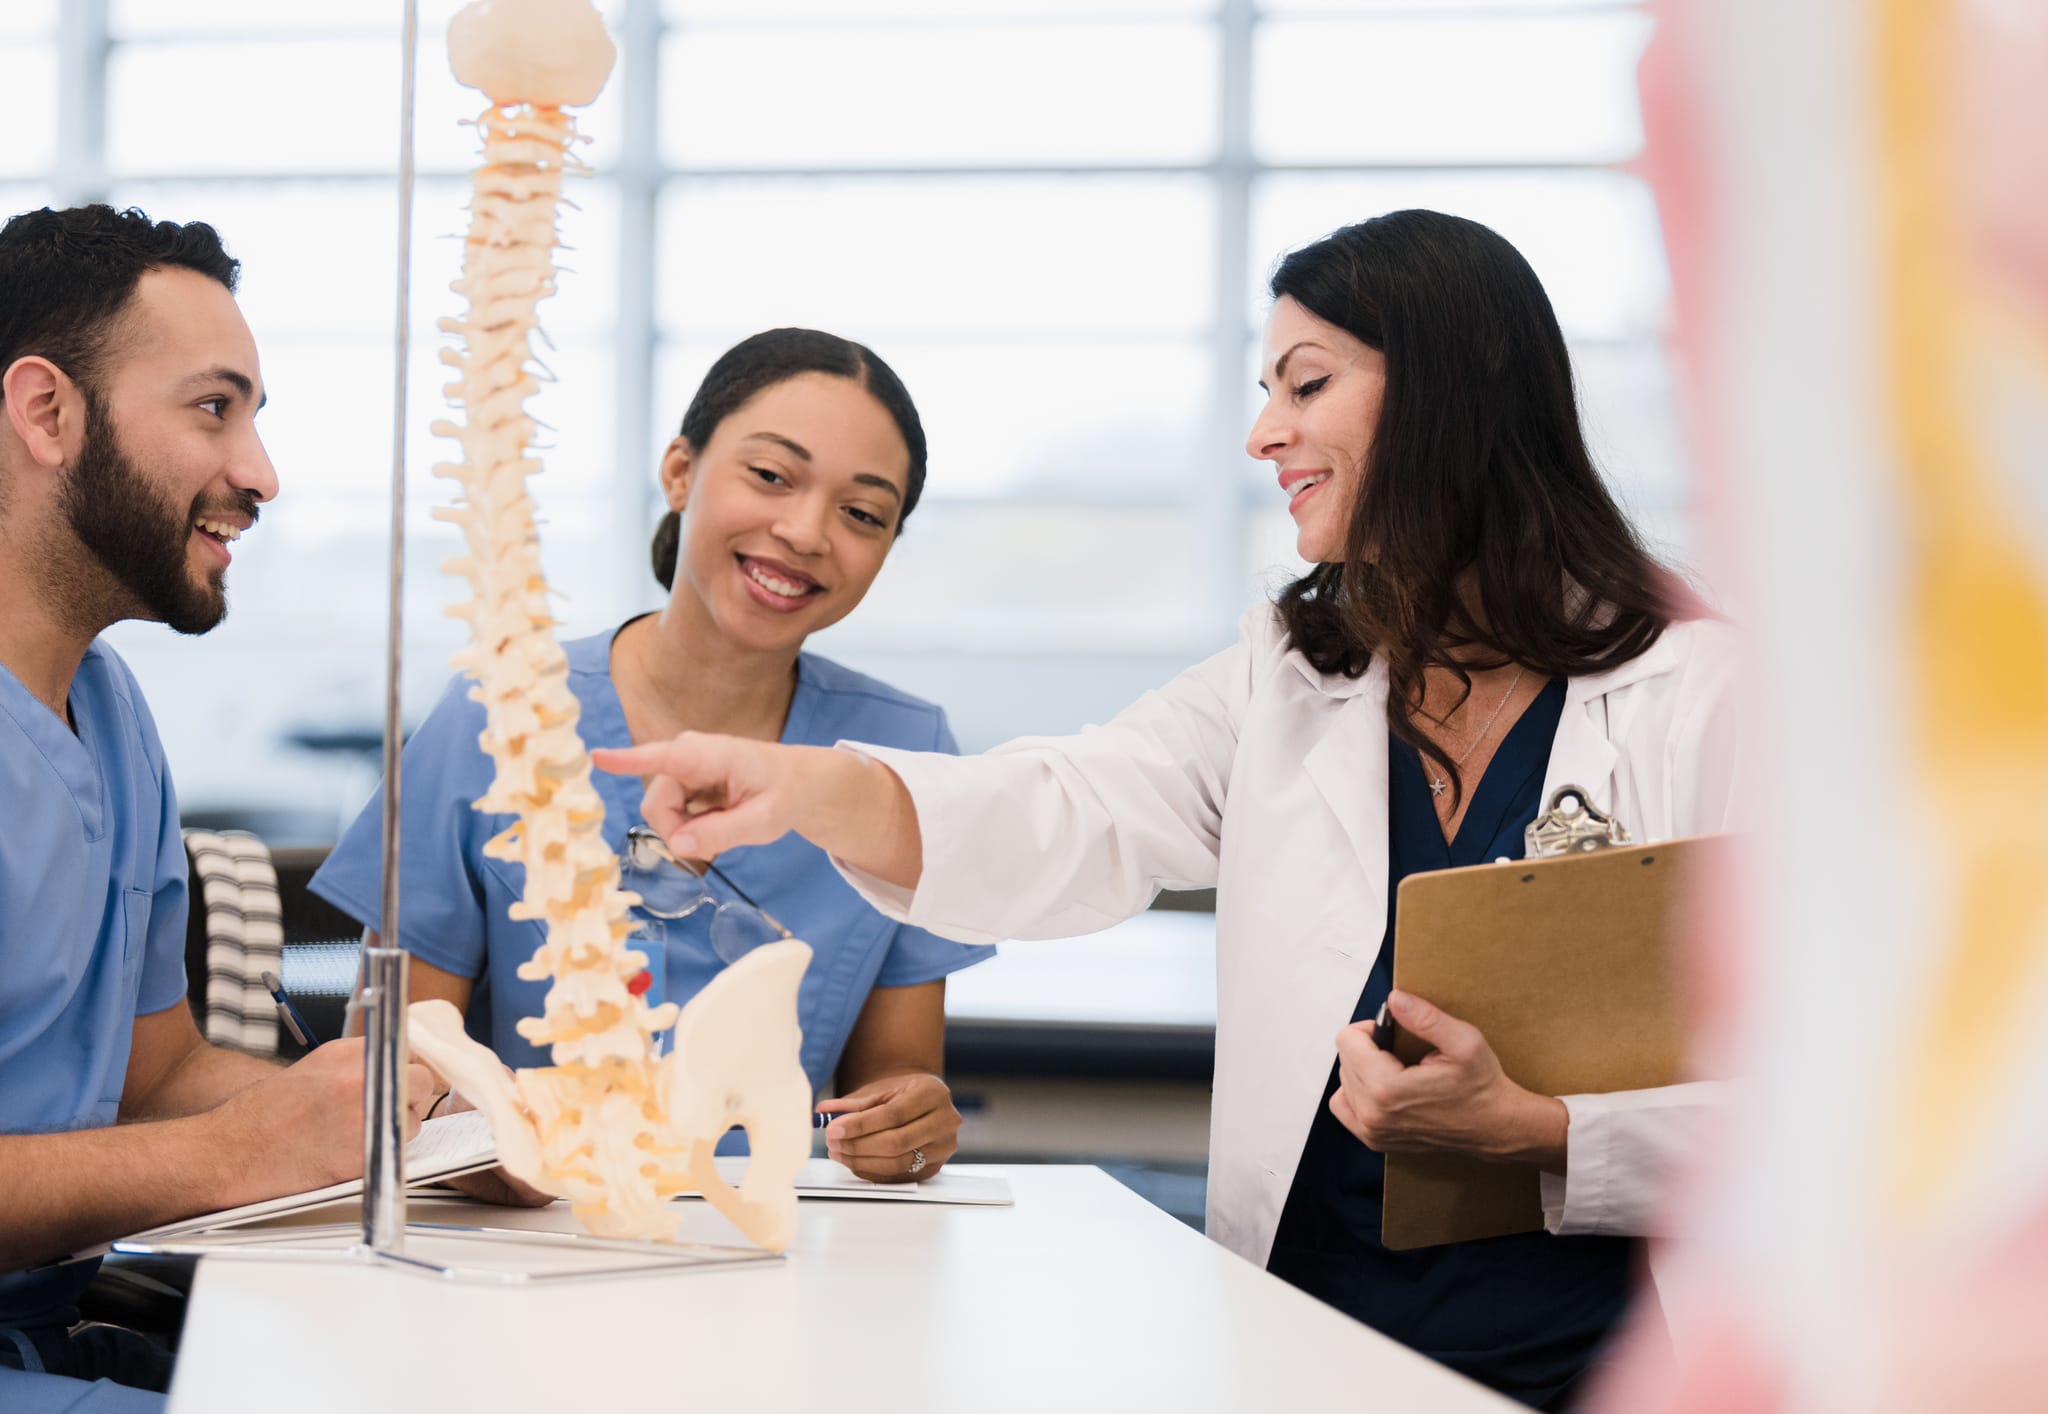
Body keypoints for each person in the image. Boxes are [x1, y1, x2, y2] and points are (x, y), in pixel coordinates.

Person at [593, 212, 1740, 1407]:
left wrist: (1545, 1128)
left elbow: (1844, 1100)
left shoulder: (1698, 695)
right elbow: (1076, 805)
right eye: (1265, 390)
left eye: (1308, 383)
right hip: (1307, 1350)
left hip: (1599, 1369)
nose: (1264, 434)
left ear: (1459, 387)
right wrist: (808, 785)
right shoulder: (1295, 674)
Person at [0, 206, 436, 1413]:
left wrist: (401, 1124)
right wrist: (230, 1156)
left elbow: (154, 1077)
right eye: (215, 409)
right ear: (46, 412)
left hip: (45, 1329)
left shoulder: (104, 710)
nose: (258, 472)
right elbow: (188, 1141)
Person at [311, 328, 993, 1186]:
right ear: (680, 471)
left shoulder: (906, 759)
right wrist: (497, 1151)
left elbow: (892, 1080)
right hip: (515, 1235)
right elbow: (391, 1069)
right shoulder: (498, 715)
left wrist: (907, 1126)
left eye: (861, 513)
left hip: (754, 1244)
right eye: (771, 476)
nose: (806, 530)